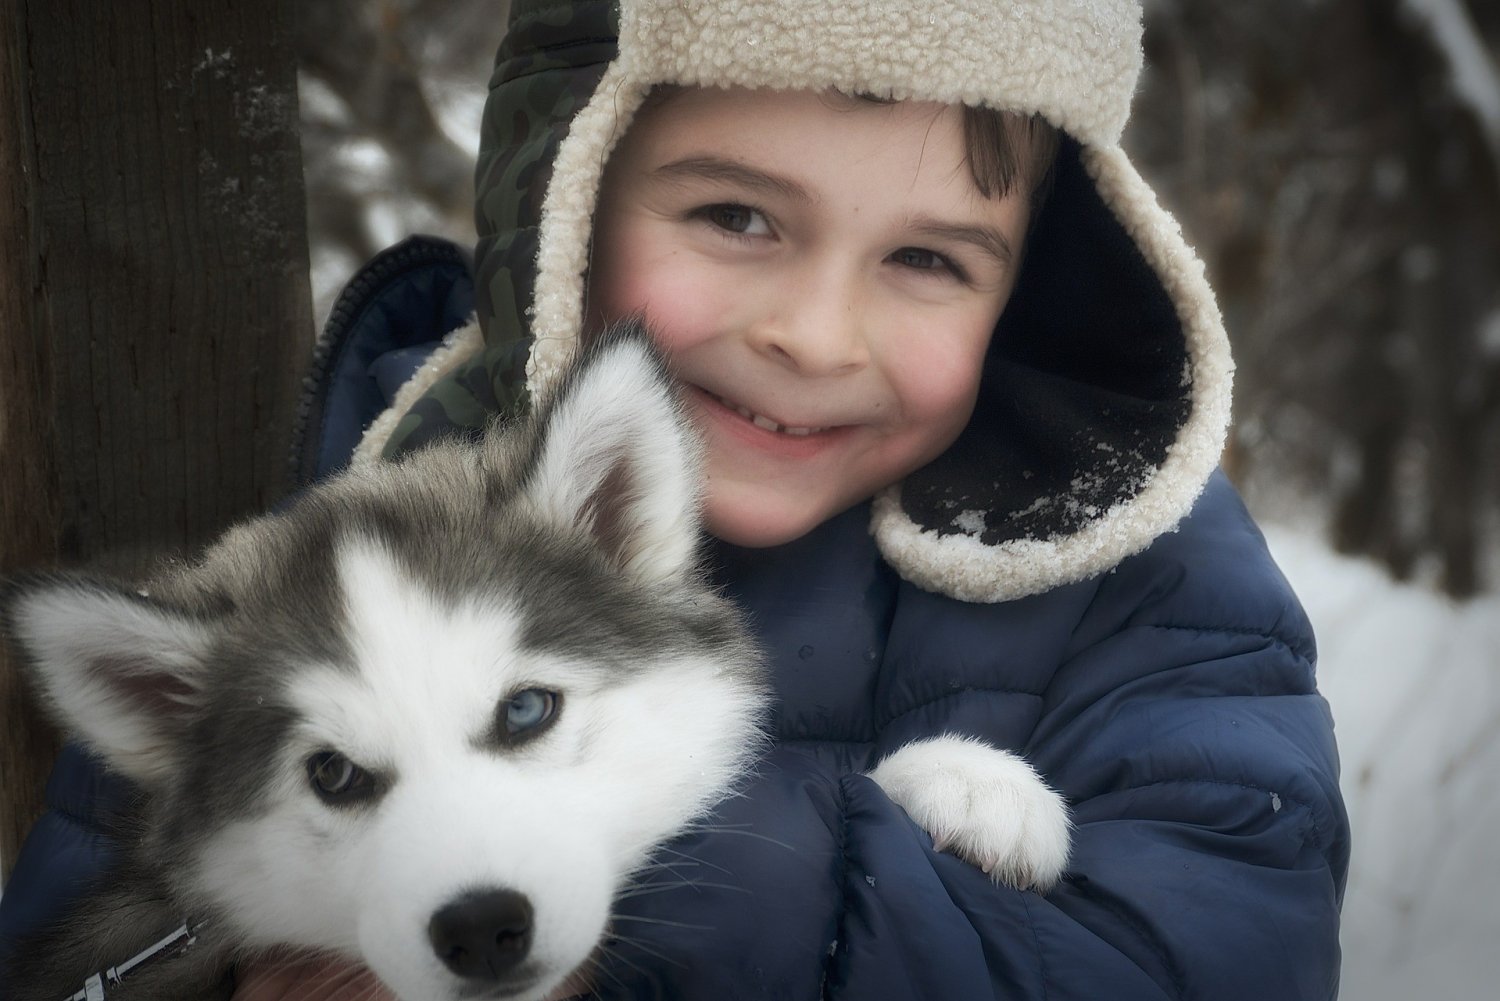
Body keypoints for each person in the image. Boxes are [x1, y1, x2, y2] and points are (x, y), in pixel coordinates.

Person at [1, 1, 1351, 998]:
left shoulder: (1141, 581)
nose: (817, 335)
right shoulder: (353, 503)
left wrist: (742, 891)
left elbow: (1222, 957)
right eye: (739, 218)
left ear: (1032, 284)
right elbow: (81, 949)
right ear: (565, 196)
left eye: (930, 257)